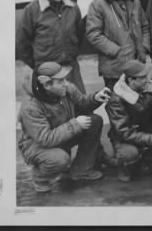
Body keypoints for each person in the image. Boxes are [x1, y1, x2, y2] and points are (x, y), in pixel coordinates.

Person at [18, 62, 111, 192]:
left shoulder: (67, 89)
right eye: (61, 81)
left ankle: (81, 170)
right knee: (60, 159)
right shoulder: (31, 107)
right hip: (37, 146)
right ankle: (40, 177)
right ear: (47, 85)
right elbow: (45, 139)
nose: (66, 83)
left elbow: (82, 103)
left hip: (62, 133)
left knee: (94, 121)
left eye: (65, 79)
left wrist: (95, 98)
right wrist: (75, 124)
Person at [17, 0, 86, 93]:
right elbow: (22, 45)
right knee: (50, 110)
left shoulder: (73, 8)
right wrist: (40, 66)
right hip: (46, 73)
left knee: (80, 107)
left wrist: (71, 54)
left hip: (71, 69)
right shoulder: (31, 10)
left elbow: (79, 36)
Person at [105, 60, 152, 182]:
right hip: (125, 136)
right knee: (129, 153)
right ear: (131, 80)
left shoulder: (149, 87)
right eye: (142, 78)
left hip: (145, 128)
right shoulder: (116, 100)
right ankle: (124, 166)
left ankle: (151, 159)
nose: (147, 80)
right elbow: (124, 132)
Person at [86, 0, 150, 91]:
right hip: (114, 67)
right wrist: (116, 51)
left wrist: (144, 47)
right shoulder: (98, 5)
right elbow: (93, 34)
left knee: (137, 103)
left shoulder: (135, 2)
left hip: (136, 66)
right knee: (116, 103)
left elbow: (145, 26)